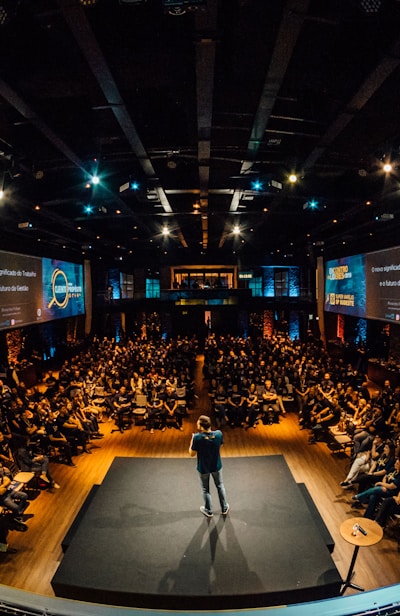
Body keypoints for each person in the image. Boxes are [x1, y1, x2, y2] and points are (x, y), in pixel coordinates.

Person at [189, 414, 229, 518]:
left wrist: (192, 440)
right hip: (216, 465)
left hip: (203, 468)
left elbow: (192, 454)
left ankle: (208, 510)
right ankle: (224, 508)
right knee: (220, 485)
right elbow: (220, 446)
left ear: (201, 425)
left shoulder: (197, 438)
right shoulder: (219, 434)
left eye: (198, 422)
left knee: (205, 489)